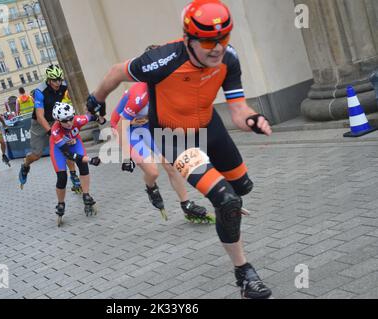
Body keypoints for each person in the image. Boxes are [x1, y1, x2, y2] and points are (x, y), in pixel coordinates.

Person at [86, 0, 273, 299]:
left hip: (211, 129)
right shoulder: (161, 61)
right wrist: (96, 98)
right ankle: (245, 275)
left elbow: (238, 110)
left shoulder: (229, 58)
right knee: (226, 201)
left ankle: (225, 201)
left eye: (223, 39)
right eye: (209, 41)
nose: (217, 48)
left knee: (242, 188)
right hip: (175, 138)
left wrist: (250, 118)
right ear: (188, 39)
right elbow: (116, 71)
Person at [111, 80, 212, 223]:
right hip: (124, 128)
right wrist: (128, 157)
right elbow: (120, 127)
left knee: (170, 164)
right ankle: (151, 187)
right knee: (153, 172)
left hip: (146, 124)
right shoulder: (139, 96)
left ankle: (186, 204)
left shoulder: (168, 91)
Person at [18, 65, 79, 189]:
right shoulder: (40, 91)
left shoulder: (63, 85)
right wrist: (51, 132)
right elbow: (40, 116)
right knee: (37, 154)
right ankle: (25, 165)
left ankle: (74, 176)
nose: (58, 83)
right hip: (39, 124)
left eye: (59, 79)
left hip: (56, 120)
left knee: (66, 147)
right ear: (48, 80)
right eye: (54, 80)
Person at [50, 102, 102, 226]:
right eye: (64, 121)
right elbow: (69, 155)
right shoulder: (55, 131)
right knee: (62, 177)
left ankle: (86, 195)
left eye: (70, 119)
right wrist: (90, 159)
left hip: (75, 143)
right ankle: (61, 203)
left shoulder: (78, 119)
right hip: (59, 149)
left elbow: (92, 117)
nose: (69, 123)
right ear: (58, 120)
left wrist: (101, 119)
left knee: (83, 167)